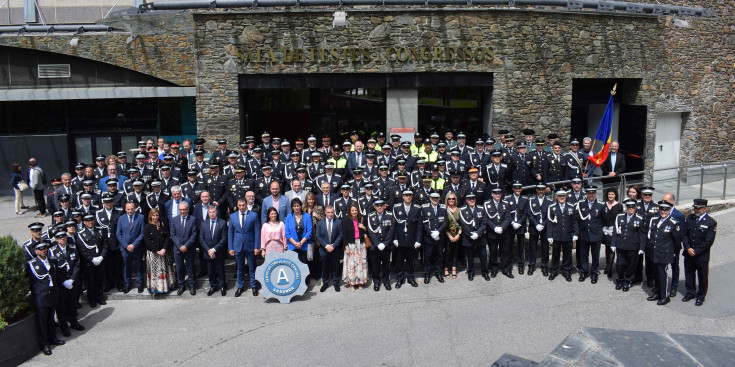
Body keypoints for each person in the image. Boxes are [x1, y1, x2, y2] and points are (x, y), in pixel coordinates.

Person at [26, 241, 65, 355]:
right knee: (42, 322)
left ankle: (53, 338)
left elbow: (56, 276)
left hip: (52, 295)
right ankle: (44, 344)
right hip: (40, 297)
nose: (43, 250)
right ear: (36, 251)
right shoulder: (32, 264)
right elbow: (30, 281)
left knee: (51, 319)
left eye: (45, 248)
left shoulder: (52, 260)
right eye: (40, 249)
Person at [681, 199, 717, 306]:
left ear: (705, 208)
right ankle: (690, 292)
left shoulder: (711, 222)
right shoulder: (690, 219)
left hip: (701, 255)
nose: (696, 210)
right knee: (689, 273)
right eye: (695, 208)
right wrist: (687, 248)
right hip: (689, 252)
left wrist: (696, 251)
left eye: (698, 208)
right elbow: (685, 235)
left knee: (702, 275)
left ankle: (701, 296)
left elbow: (708, 241)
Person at [50, 230, 85, 337]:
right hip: (61, 283)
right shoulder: (52, 251)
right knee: (62, 305)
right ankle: (64, 326)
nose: (62, 239)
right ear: (56, 239)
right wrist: (63, 281)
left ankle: (74, 322)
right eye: (60, 238)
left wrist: (72, 279)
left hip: (72, 281)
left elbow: (77, 264)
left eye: (64, 237)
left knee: (73, 302)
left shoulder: (72, 248)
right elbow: (54, 269)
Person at [646, 201, 681, 305]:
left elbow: (677, 241)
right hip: (654, 252)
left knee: (662, 275)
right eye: (661, 209)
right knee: (656, 274)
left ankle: (664, 296)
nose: (663, 212)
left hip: (664, 253)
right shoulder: (654, 220)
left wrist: (673, 253)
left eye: (666, 210)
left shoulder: (674, 223)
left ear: (669, 210)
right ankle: (657, 293)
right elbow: (650, 235)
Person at [229, 197, 261, 297]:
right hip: (238, 245)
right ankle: (240, 286)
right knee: (240, 267)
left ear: (246, 204)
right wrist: (230, 247)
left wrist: (257, 246)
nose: (242, 207)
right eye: (240, 205)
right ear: (237, 205)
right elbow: (230, 233)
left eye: (243, 205)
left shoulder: (254, 215)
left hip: (250, 245)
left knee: (252, 267)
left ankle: (254, 286)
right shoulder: (233, 216)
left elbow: (257, 232)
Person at [611, 199, 645, 292]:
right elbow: (615, 231)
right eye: (629, 207)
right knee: (619, 264)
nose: (631, 209)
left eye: (632, 207)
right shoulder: (620, 216)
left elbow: (642, 234)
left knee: (631, 265)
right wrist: (613, 243)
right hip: (621, 245)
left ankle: (627, 281)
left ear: (635, 208)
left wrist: (642, 247)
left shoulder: (639, 218)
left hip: (633, 246)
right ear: (626, 208)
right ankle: (620, 279)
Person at [392, 190, 422, 288]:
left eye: (410, 195)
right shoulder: (396, 208)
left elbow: (419, 226)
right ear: (402, 197)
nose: (408, 197)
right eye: (406, 195)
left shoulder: (417, 208)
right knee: (399, 261)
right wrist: (395, 238)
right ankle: (399, 279)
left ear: (412, 197)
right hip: (400, 240)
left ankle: (410, 277)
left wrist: (418, 240)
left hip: (411, 239)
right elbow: (394, 225)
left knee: (410, 260)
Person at [547, 189, 578, 282]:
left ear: (566, 196)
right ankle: (554, 270)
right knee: (555, 254)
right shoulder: (552, 207)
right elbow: (549, 223)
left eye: (563, 196)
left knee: (567, 254)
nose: (561, 197)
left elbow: (574, 221)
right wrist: (549, 235)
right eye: (560, 196)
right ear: (556, 197)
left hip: (567, 234)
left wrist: (576, 233)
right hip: (556, 234)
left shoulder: (571, 207)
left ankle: (567, 271)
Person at [575, 186, 604, 284]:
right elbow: (577, 219)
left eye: (593, 193)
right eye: (589, 193)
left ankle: (594, 273)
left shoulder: (600, 205)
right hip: (584, 234)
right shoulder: (581, 204)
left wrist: (599, 231)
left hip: (596, 234)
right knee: (583, 254)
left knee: (595, 255)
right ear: (586, 194)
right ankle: (584, 271)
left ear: (595, 193)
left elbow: (604, 220)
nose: (591, 195)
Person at [77, 214, 108, 308]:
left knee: (100, 280)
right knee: (90, 282)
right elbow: (82, 250)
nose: (90, 222)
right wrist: (92, 259)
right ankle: (92, 299)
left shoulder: (100, 230)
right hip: (89, 263)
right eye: (87, 220)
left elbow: (105, 244)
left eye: (91, 220)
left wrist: (102, 257)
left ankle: (100, 297)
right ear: (84, 222)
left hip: (100, 260)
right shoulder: (81, 233)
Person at [143, 209, 176, 294]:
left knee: (165, 270)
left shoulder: (162, 225)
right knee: (155, 272)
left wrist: (164, 249)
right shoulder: (147, 227)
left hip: (164, 252)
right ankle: (156, 288)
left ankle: (166, 287)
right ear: (150, 216)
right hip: (153, 254)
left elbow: (167, 237)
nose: (155, 217)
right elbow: (147, 241)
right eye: (153, 216)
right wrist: (156, 251)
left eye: (157, 215)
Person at [116, 202, 145, 293]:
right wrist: (126, 245)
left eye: (132, 209)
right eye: (128, 209)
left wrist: (134, 245)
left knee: (139, 266)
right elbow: (118, 234)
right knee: (127, 266)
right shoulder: (121, 218)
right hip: (125, 248)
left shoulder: (141, 217)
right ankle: (128, 284)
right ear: (125, 209)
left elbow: (142, 233)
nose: (130, 211)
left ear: (135, 208)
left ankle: (140, 284)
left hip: (137, 247)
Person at [170, 201, 198, 296]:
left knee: (190, 267)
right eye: (180, 210)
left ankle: (192, 285)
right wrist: (179, 245)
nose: (182, 211)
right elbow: (173, 234)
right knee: (179, 267)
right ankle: (181, 285)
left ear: (188, 210)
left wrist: (186, 245)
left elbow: (194, 234)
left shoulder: (193, 219)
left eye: (184, 209)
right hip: (178, 248)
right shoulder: (174, 219)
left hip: (189, 248)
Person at [200, 206, 228, 297]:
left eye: (213, 212)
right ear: (208, 213)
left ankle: (222, 286)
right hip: (208, 252)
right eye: (210, 212)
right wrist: (209, 250)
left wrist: (214, 249)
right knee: (210, 270)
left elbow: (224, 238)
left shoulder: (222, 223)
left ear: (217, 213)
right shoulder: (203, 224)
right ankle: (213, 286)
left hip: (218, 251)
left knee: (220, 269)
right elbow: (201, 239)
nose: (212, 214)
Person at [484, 187, 511, 279]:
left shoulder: (505, 204)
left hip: (504, 232)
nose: (497, 195)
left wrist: (502, 227)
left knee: (505, 252)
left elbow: (508, 218)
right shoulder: (487, 204)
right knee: (493, 252)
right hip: (492, 232)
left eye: (499, 193)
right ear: (492, 194)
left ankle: (506, 269)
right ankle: (494, 269)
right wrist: (494, 227)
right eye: (495, 193)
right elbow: (486, 219)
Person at [421, 192, 447, 284]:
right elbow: (423, 223)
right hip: (428, 237)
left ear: (439, 198)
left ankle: (438, 273)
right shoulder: (424, 208)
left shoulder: (443, 208)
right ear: (430, 198)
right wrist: (431, 233)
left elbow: (445, 221)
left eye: (437, 198)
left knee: (439, 256)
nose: (435, 199)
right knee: (427, 257)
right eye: (433, 198)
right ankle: (427, 274)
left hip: (439, 237)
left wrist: (438, 232)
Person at [285, 198, 313, 283]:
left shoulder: (307, 216)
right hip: (292, 246)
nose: (296, 208)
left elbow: (309, 232)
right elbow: (287, 233)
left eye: (298, 206)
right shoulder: (289, 217)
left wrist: (301, 243)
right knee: (293, 266)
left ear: (301, 206)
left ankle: (305, 284)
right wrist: (295, 244)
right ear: (292, 207)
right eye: (294, 206)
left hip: (303, 246)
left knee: (303, 266)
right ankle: (295, 284)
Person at [342, 203, 368, 291]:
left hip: (360, 244)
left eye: (356, 210)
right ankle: (352, 283)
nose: (354, 212)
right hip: (351, 245)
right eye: (352, 210)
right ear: (350, 211)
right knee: (351, 265)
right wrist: (346, 247)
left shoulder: (362, 219)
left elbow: (367, 231)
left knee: (361, 264)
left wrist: (363, 227)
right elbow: (344, 235)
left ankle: (360, 282)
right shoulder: (346, 220)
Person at [663, 192, 685, 297]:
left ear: (672, 201)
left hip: (674, 246)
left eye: (666, 201)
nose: (664, 203)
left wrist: (676, 248)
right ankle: (662, 286)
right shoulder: (661, 212)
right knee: (662, 267)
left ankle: (674, 287)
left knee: (674, 266)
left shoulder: (679, 215)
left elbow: (681, 233)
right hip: (663, 245)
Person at [602, 188, 623, 278]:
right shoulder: (604, 205)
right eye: (609, 194)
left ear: (615, 195)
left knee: (611, 248)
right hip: (604, 229)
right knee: (607, 248)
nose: (610, 196)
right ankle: (607, 264)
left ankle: (610, 268)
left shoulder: (619, 206)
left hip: (613, 229)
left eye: (612, 194)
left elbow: (620, 218)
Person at [304, 192, 324, 280]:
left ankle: (317, 275)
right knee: (308, 257)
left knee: (316, 256)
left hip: (316, 236)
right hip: (306, 236)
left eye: (312, 199)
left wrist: (317, 216)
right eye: (309, 199)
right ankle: (309, 274)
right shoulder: (303, 208)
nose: (311, 201)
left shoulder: (319, 208)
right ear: (306, 200)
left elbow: (324, 220)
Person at [443, 192, 462, 279]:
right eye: (449, 199)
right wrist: (449, 235)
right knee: (447, 252)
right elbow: (443, 224)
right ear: (447, 200)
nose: (451, 200)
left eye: (453, 199)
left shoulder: (459, 210)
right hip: (447, 234)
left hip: (457, 234)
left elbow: (462, 223)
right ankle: (446, 268)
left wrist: (458, 234)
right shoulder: (444, 209)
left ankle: (454, 268)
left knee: (455, 252)